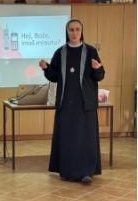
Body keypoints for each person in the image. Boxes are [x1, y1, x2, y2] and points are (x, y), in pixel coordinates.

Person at [41, 19, 105, 184]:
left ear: (81, 31)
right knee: (67, 138)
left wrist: (97, 69)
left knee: (85, 139)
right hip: (66, 104)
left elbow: (99, 76)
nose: (74, 33)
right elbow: (54, 76)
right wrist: (46, 68)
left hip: (85, 105)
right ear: (67, 32)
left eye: (77, 29)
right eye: (71, 30)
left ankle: (86, 172)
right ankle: (67, 171)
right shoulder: (60, 52)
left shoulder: (90, 51)